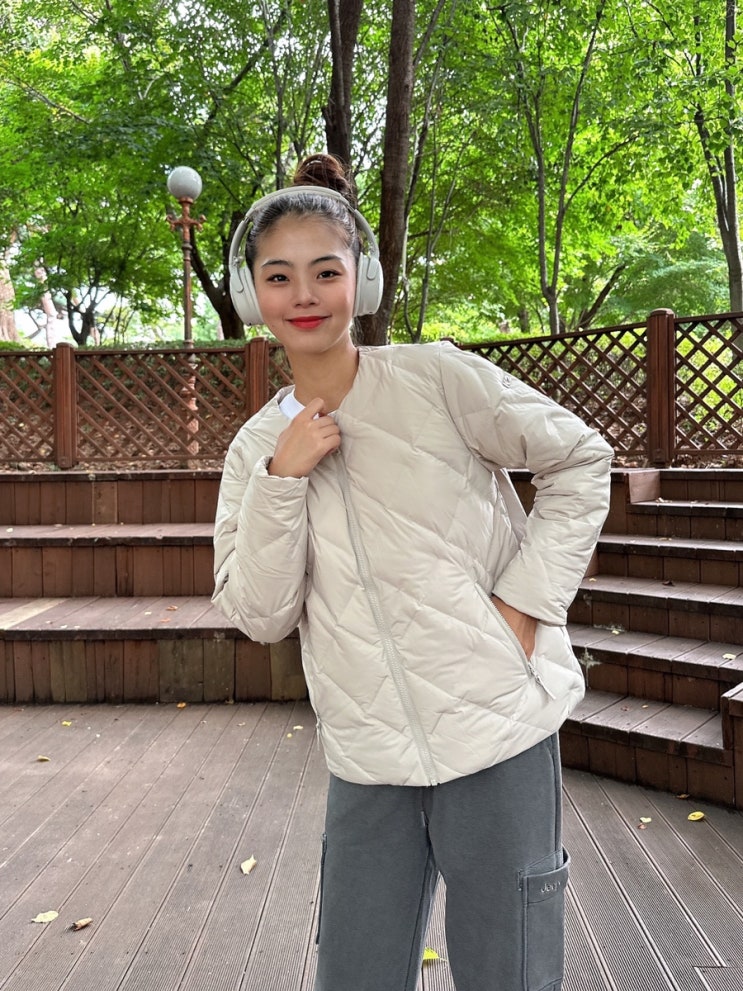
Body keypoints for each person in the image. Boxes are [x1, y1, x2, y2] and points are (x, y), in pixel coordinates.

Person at [213, 153, 614, 991]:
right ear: (252, 295)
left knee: (509, 973)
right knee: (356, 974)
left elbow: (580, 457)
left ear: (360, 280)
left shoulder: (435, 377)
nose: (304, 294)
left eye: (326, 271)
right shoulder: (254, 452)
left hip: (497, 726)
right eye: (279, 276)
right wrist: (282, 479)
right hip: (367, 757)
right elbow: (260, 612)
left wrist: (524, 605)